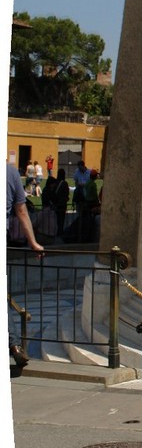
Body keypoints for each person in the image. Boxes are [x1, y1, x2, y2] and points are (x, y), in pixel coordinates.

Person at [7, 159, 42, 377]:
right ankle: (14, 345)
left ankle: (13, 344)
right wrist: (33, 242)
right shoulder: (10, 173)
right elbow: (22, 211)